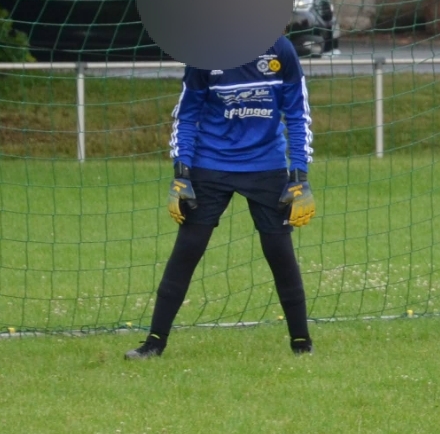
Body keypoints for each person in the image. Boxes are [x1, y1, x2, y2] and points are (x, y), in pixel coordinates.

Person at [128, 36, 316, 358]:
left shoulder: (281, 50)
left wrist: (299, 176)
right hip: (210, 165)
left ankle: (302, 343)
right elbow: (187, 116)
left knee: (279, 252)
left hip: (266, 166)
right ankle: (154, 343)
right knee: (187, 249)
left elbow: (298, 113)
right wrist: (181, 174)